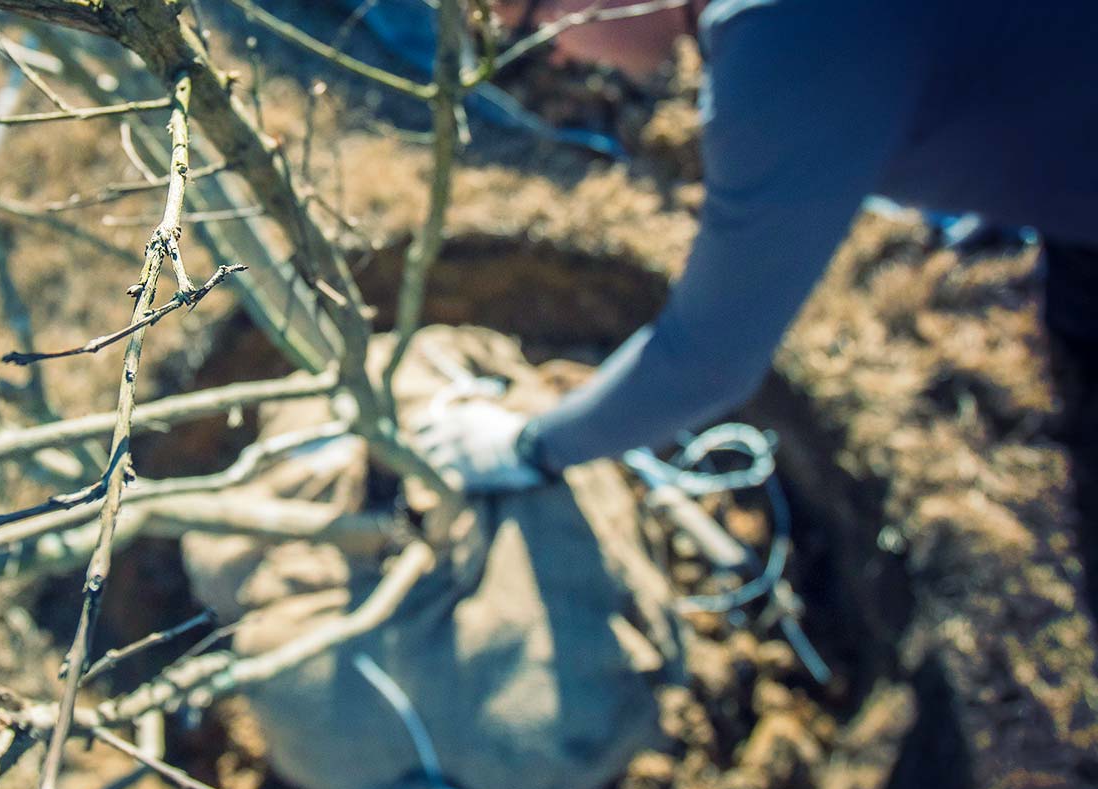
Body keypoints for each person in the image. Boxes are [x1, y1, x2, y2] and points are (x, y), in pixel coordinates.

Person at [412, 0, 1098, 602]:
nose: (559, 55)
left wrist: (530, 445)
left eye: (537, 25)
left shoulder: (782, 43)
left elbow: (707, 362)